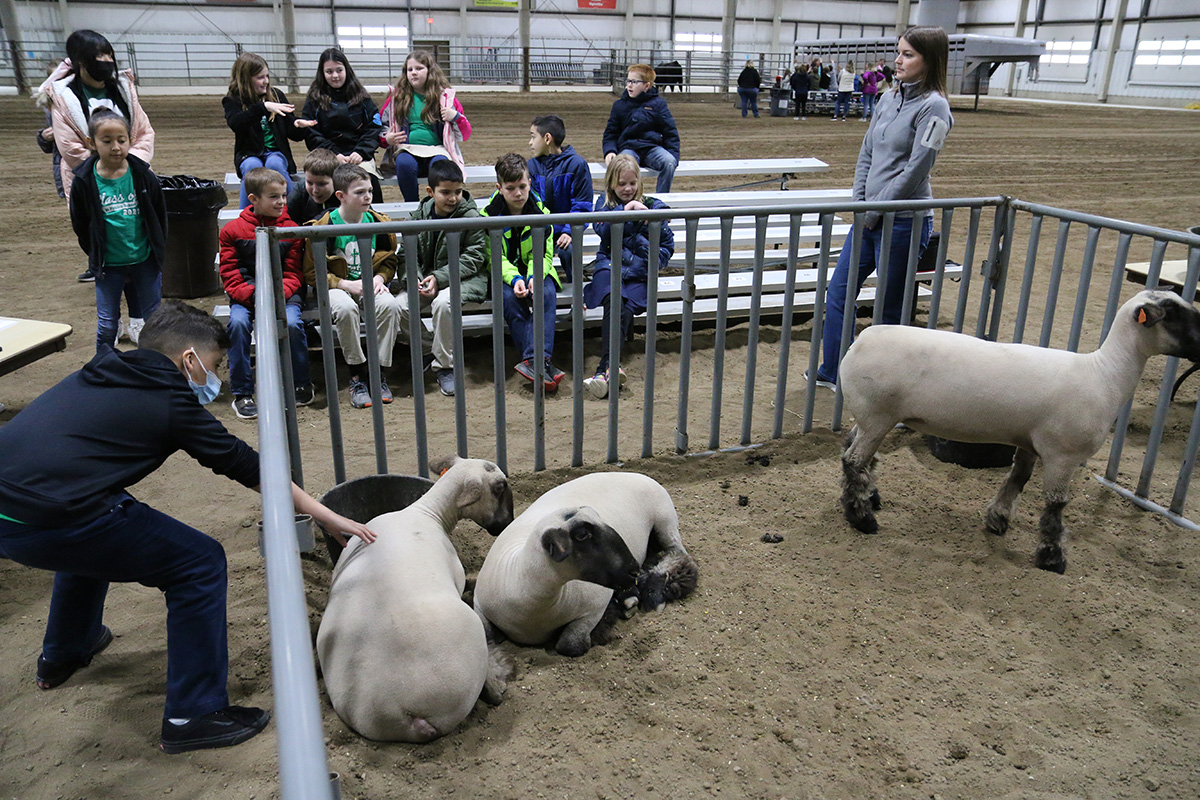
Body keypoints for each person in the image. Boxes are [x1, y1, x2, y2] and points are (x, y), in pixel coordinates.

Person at [0, 300, 376, 754]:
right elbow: (245, 465)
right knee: (198, 561)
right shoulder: (170, 398)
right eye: (216, 365)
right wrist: (327, 515)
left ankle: (63, 652)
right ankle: (192, 714)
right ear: (190, 360)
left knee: (102, 515)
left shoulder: (105, 366)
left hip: (14, 514)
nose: (216, 378)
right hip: (52, 519)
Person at [810, 26, 954, 389]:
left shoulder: (935, 106)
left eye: (908, 54)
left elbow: (916, 169)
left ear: (929, 60)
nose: (898, 60)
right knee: (839, 293)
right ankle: (835, 372)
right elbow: (867, 154)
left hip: (904, 221)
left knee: (890, 309)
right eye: (899, 52)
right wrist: (859, 204)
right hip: (868, 218)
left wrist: (872, 211)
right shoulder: (888, 99)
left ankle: (885, 386)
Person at [42, 29, 154, 286]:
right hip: (89, 179)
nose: (106, 60)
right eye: (99, 56)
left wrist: (132, 164)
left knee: (135, 220)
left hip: (132, 174)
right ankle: (103, 269)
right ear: (81, 62)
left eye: (109, 54)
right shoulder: (64, 99)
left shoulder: (124, 90)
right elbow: (69, 147)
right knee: (94, 225)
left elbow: (144, 131)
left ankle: (137, 267)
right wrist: (104, 168)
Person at [303, 164, 402, 409]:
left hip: (369, 284)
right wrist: (344, 284)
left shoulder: (379, 222)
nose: (367, 196)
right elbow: (311, 272)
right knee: (346, 309)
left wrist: (380, 278)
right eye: (359, 192)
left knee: (389, 305)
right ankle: (357, 373)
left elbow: (388, 259)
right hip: (337, 287)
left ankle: (378, 372)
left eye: (369, 190)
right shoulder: (322, 227)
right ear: (341, 195)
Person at [219, 167, 315, 420]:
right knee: (238, 324)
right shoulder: (232, 231)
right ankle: (242, 391)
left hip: (284, 294)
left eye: (283, 195)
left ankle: (301, 382)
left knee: (294, 324)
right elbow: (230, 273)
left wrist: (277, 294)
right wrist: (253, 296)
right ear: (254, 200)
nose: (281, 202)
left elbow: (294, 272)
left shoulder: (292, 229)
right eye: (274, 197)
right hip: (246, 295)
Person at [69, 108, 165, 355]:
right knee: (107, 322)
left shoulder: (143, 175)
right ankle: (104, 366)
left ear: (130, 140)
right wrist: (96, 254)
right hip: (108, 265)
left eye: (121, 140)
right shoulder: (84, 181)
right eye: (107, 141)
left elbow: (159, 216)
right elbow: (80, 223)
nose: (116, 147)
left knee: (154, 318)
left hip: (145, 261)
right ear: (91, 143)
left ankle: (156, 363)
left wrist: (156, 251)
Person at [582, 154, 675, 400]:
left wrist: (647, 260)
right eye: (621, 184)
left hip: (638, 274)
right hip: (609, 267)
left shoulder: (654, 206)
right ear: (612, 184)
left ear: (639, 182)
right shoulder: (604, 204)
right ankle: (611, 367)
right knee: (614, 298)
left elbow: (666, 248)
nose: (627, 189)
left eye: (632, 183)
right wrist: (626, 211)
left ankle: (605, 369)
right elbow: (600, 227)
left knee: (620, 306)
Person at [394, 159, 489, 398]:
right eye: (445, 192)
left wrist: (439, 277)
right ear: (430, 191)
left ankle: (446, 367)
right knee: (399, 306)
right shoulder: (419, 216)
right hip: (429, 279)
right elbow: (406, 252)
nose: (453, 198)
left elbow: (475, 257)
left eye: (458, 192)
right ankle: (430, 350)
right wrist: (414, 279)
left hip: (466, 278)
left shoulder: (470, 217)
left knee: (443, 303)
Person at [481, 153, 564, 392]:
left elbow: (544, 254)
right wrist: (515, 278)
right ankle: (540, 363)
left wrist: (532, 277)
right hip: (504, 276)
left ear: (530, 183)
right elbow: (494, 258)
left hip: (536, 271)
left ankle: (535, 362)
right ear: (499, 188)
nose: (518, 193)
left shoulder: (541, 213)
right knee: (509, 299)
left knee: (546, 293)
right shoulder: (488, 216)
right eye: (510, 188)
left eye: (522, 186)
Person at [379, 50, 472, 202]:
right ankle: (412, 206)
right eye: (410, 70)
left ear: (430, 71)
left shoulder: (446, 99)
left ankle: (436, 207)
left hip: (437, 151)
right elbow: (381, 128)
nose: (413, 73)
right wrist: (386, 139)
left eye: (419, 68)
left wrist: (456, 117)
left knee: (441, 167)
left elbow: (465, 134)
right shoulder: (395, 99)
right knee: (403, 164)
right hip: (407, 150)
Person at [222, 52, 309, 208]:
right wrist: (262, 108)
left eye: (267, 76)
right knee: (251, 167)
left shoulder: (276, 95)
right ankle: (246, 218)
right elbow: (236, 123)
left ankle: (295, 211)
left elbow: (291, 129)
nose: (266, 81)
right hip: (248, 153)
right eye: (260, 77)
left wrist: (298, 125)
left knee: (274, 164)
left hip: (276, 152)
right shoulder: (233, 100)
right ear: (245, 79)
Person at [299, 48, 384, 203]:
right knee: (326, 184)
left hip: (359, 157)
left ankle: (374, 223)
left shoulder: (362, 97)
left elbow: (374, 127)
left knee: (368, 181)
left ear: (346, 69)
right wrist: (334, 154)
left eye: (339, 70)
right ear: (322, 73)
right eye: (329, 71)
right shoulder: (314, 100)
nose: (335, 76)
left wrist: (361, 151)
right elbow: (312, 133)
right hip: (328, 157)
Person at [526, 113, 594, 282]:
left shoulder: (577, 165)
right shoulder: (531, 166)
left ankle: (577, 296)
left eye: (533, 137)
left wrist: (569, 231)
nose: (530, 143)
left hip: (565, 230)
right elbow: (529, 203)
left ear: (547, 138)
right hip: (539, 230)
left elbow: (582, 205)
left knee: (569, 250)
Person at [602, 64, 681, 194]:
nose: (629, 85)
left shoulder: (658, 105)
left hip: (652, 149)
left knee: (669, 162)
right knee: (622, 165)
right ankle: (625, 200)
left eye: (634, 82)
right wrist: (609, 151)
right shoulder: (619, 106)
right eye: (628, 81)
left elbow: (670, 132)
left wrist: (673, 155)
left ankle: (662, 201)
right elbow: (610, 133)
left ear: (647, 86)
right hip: (629, 149)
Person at [287, 147, 340, 225]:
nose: (315, 190)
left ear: (335, 180)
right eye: (309, 183)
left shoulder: (345, 193)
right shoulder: (299, 192)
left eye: (321, 184)